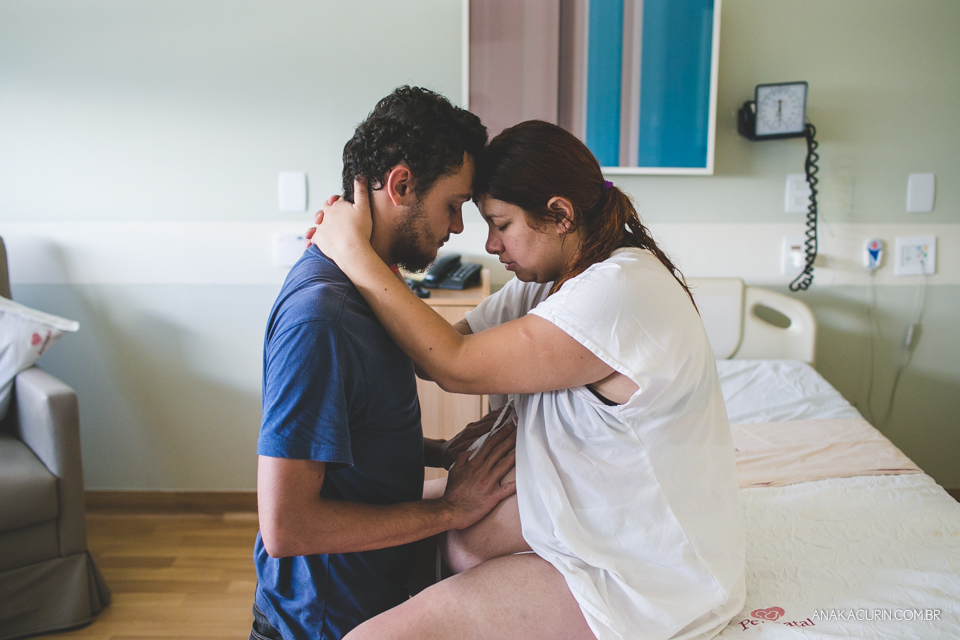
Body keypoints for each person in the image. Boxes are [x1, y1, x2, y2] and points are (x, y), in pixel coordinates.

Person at [310, 120, 746, 640]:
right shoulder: (551, 283)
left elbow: (453, 363)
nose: (491, 244)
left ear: (560, 215)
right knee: (364, 530)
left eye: (501, 224)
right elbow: (431, 347)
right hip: (587, 535)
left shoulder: (622, 290)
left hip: (642, 577)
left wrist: (354, 252)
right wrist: (375, 254)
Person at [252, 86, 519, 640]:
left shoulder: (372, 288)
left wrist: (445, 453)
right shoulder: (322, 318)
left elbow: (349, 435)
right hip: (321, 624)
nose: (458, 229)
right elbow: (286, 526)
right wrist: (450, 512)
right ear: (401, 185)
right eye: (453, 205)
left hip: (370, 603)